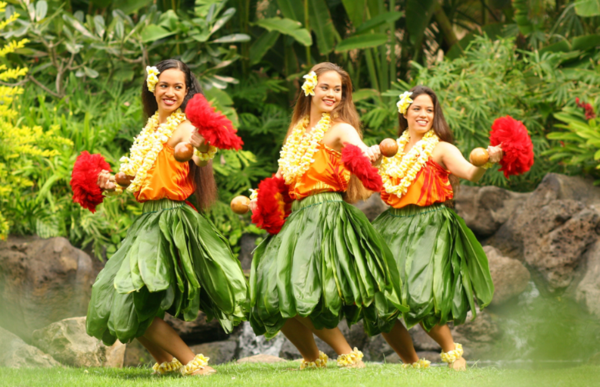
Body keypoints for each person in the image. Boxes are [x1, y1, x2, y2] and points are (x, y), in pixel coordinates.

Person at [86, 59, 247, 376]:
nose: (170, 92)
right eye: (164, 85)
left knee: (133, 298)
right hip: (148, 219)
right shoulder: (150, 129)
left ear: (186, 91)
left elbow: (197, 157)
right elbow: (136, 177)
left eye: (178, 87)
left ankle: (193, 365)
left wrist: (201, 148)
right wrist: (111, 181)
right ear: (153, 86)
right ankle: (166, 363)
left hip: (170, 220)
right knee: (123, 298)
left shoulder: (184, 126)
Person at [248, 62, 404, 370]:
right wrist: (260, 198)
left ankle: (347, 354)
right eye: (326, 87)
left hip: (326, 215)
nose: (332, 94)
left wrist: (368, 154)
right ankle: (312, 357)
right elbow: (283, 174)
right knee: (270, 292)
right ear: (310, 89)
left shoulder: (340, 128)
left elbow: (356, 148)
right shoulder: (296, 131)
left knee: (298, 289)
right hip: (298, 218)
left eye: (339, 89)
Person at [364, 85, 502, 371]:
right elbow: (370, 189)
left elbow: (469, 172)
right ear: (406, 112)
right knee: (379, 301)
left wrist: (486, 161)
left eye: (429, 109)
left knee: (421, 296)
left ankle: (453, 354)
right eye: (417, 108)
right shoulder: (392, 149)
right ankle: (412, 365)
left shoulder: (441, 148)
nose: (424, 114)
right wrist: (367, 163)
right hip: (394, 225)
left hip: (431, 225)